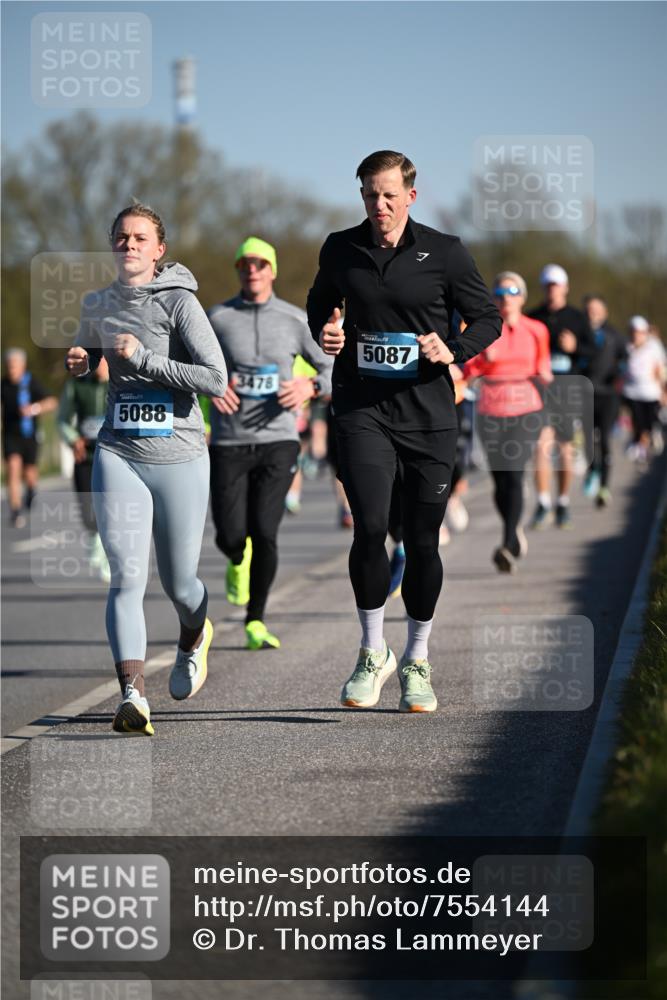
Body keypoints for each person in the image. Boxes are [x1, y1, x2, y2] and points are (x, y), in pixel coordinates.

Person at [307, 150, 501, 713]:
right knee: (369, 528)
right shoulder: (341, 248)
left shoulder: (444, 252)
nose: (380, 205)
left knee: (420, 542)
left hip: (429, 416)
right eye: (370, 195)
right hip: (362, 410)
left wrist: (454, 348)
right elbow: (320, 304)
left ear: (410, 196)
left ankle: (416, 659)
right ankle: (372, 652)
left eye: (389, 195)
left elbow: (487, 317)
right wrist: (328, 330)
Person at [65, 204, 227, 736]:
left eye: (140, 238)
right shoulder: (98, 302)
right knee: (127, 577)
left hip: (180, 456)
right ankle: (132, 695)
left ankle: (193, 637)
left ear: (159, 250)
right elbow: (89, 350)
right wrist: (82, 360)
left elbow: (214, 378)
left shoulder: (181, 302)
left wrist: (147, 359)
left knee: (180, 584)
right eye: (121, 238)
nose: (129, 245)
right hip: (118, 451)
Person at [208, 237, 333, 650]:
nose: (253, 271)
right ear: (238, 270)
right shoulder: (218, 318)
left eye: (261, 264)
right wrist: (210, 386)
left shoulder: (294, 320)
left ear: (272, 270)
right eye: (245, 264)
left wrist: (310, 385)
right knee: (231, 534)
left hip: (278, 442)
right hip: (228, 441)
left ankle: (255, 620)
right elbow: (188, 365)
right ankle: (234, 558)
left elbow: (332, 369)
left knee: (265, 531)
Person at [464, 272, 551, 573]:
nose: (506, 297)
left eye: (513, 291)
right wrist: (483, 360)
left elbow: (544, 371)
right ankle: (514, 530)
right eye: (499, 292)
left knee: (513, 474)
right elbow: (467, 370)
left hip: (526, 410)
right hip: (490, 410)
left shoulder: (537, 330)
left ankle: (507, 543)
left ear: (523, 297)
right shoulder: (483, 330)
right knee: (500, 481)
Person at [528, 264, 595, 529]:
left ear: (565, 288)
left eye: (556, 285)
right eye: (548, 285)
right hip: (540, 392)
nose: (552, 290)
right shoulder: (533, 317)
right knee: (540, 446)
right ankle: (544, 502)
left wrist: (576, 347)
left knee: (565, 448)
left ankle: (563, 502)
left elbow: (593, 352)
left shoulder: (578, 319)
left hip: (568, 390)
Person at [58, 356, 111, 581]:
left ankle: (111, 557)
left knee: (112, 508)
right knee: (87, 507)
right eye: (97, 360)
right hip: (86, 455)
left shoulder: (123, 384)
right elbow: (62, 419)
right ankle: (94, 538)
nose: (100, 365)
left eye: (104, 360)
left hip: (113, 455)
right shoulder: (77, 384)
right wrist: (73, 439)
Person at [1, 348, 57, 528]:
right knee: (12, 467)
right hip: (10, 435)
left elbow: (51, 401)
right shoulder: (4, 385)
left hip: (29, 435)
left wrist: (33, 409)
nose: (12, 370)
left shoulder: (31, 382)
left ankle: (31, 489)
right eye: (9, 366)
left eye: (15, 366)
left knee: (30, 473)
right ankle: (15, 511)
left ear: (22, 366)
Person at [582, 295, 627, 507]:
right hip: (585, 394)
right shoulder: (579, 333)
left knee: (605, 440)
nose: (593, 313)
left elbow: (625, 359)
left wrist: (618, 374)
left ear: (605, 312)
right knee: (588, 440)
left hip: (608, 395)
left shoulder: (615, 336)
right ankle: (592, 471)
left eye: (596, 309)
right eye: (589, 309)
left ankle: (604, 487)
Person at [622, 315, 666, 463]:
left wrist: (664, 391)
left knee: (647, 424)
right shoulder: (626, 347)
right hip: (631, 392)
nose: (636, 335)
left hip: (650, 393)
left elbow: (660, 370)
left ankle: (646, 442)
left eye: (639, 332)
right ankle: (640, 448)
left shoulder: (654, 347)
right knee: (637, 423)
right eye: (634, 332)